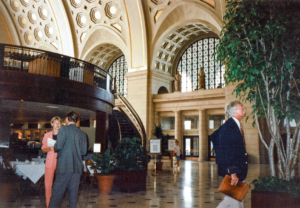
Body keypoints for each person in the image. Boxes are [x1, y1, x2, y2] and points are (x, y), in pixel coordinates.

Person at [211, 100, 248, 208]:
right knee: (235, 202)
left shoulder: (234, 125)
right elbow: (228, 150)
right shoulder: (229, 127)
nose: (244, 108)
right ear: (234, 111)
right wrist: (233, 173)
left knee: (232, 200)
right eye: (242, 107)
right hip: (234, 172)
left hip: (238, 170)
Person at [49, 111, 87, 208]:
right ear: (76, 121)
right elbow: (83, 152)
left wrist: (55, 145)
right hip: (77, 168)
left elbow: (58, 147)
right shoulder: (82, 134)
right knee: (73, 196)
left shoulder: (63, 129)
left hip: (64, 167)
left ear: (67, 119)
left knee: (56, 195)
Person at [41, 116, 62, 208]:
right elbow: (43, 149)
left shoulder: (63, 134)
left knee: (59, 186)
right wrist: (49, 148)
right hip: (50, 161)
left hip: (61, 161)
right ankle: (48, 205)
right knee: (48, 185)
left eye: (59, 123)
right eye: (56, 123)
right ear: (52, 124)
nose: (58, 125)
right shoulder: (47, 135)